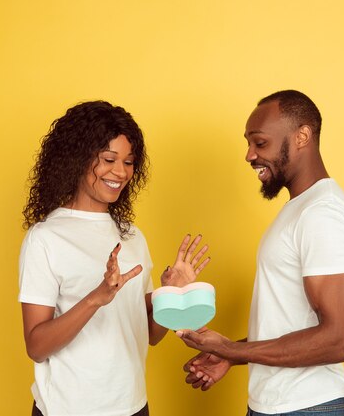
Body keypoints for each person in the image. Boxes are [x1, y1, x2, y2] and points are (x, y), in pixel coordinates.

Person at [178, 90, 344, 416]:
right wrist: (234, 353)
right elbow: (289, 319)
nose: (249, 155)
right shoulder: (300, 209)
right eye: (248, 144)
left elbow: (340, 339)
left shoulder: (324, 213)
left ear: (302, 136)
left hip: (307, 408)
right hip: (276, 407)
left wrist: (232, 348)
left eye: (260, 143)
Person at [18, 100, 210, 416]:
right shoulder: (46, 238)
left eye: (130, 161)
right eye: (109, 159)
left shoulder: (132, 236)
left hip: (133, 407)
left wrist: (170, 295)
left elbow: (150, 335)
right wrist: (96, 298)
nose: (120, 172)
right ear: (77, 159)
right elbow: (36, 347)